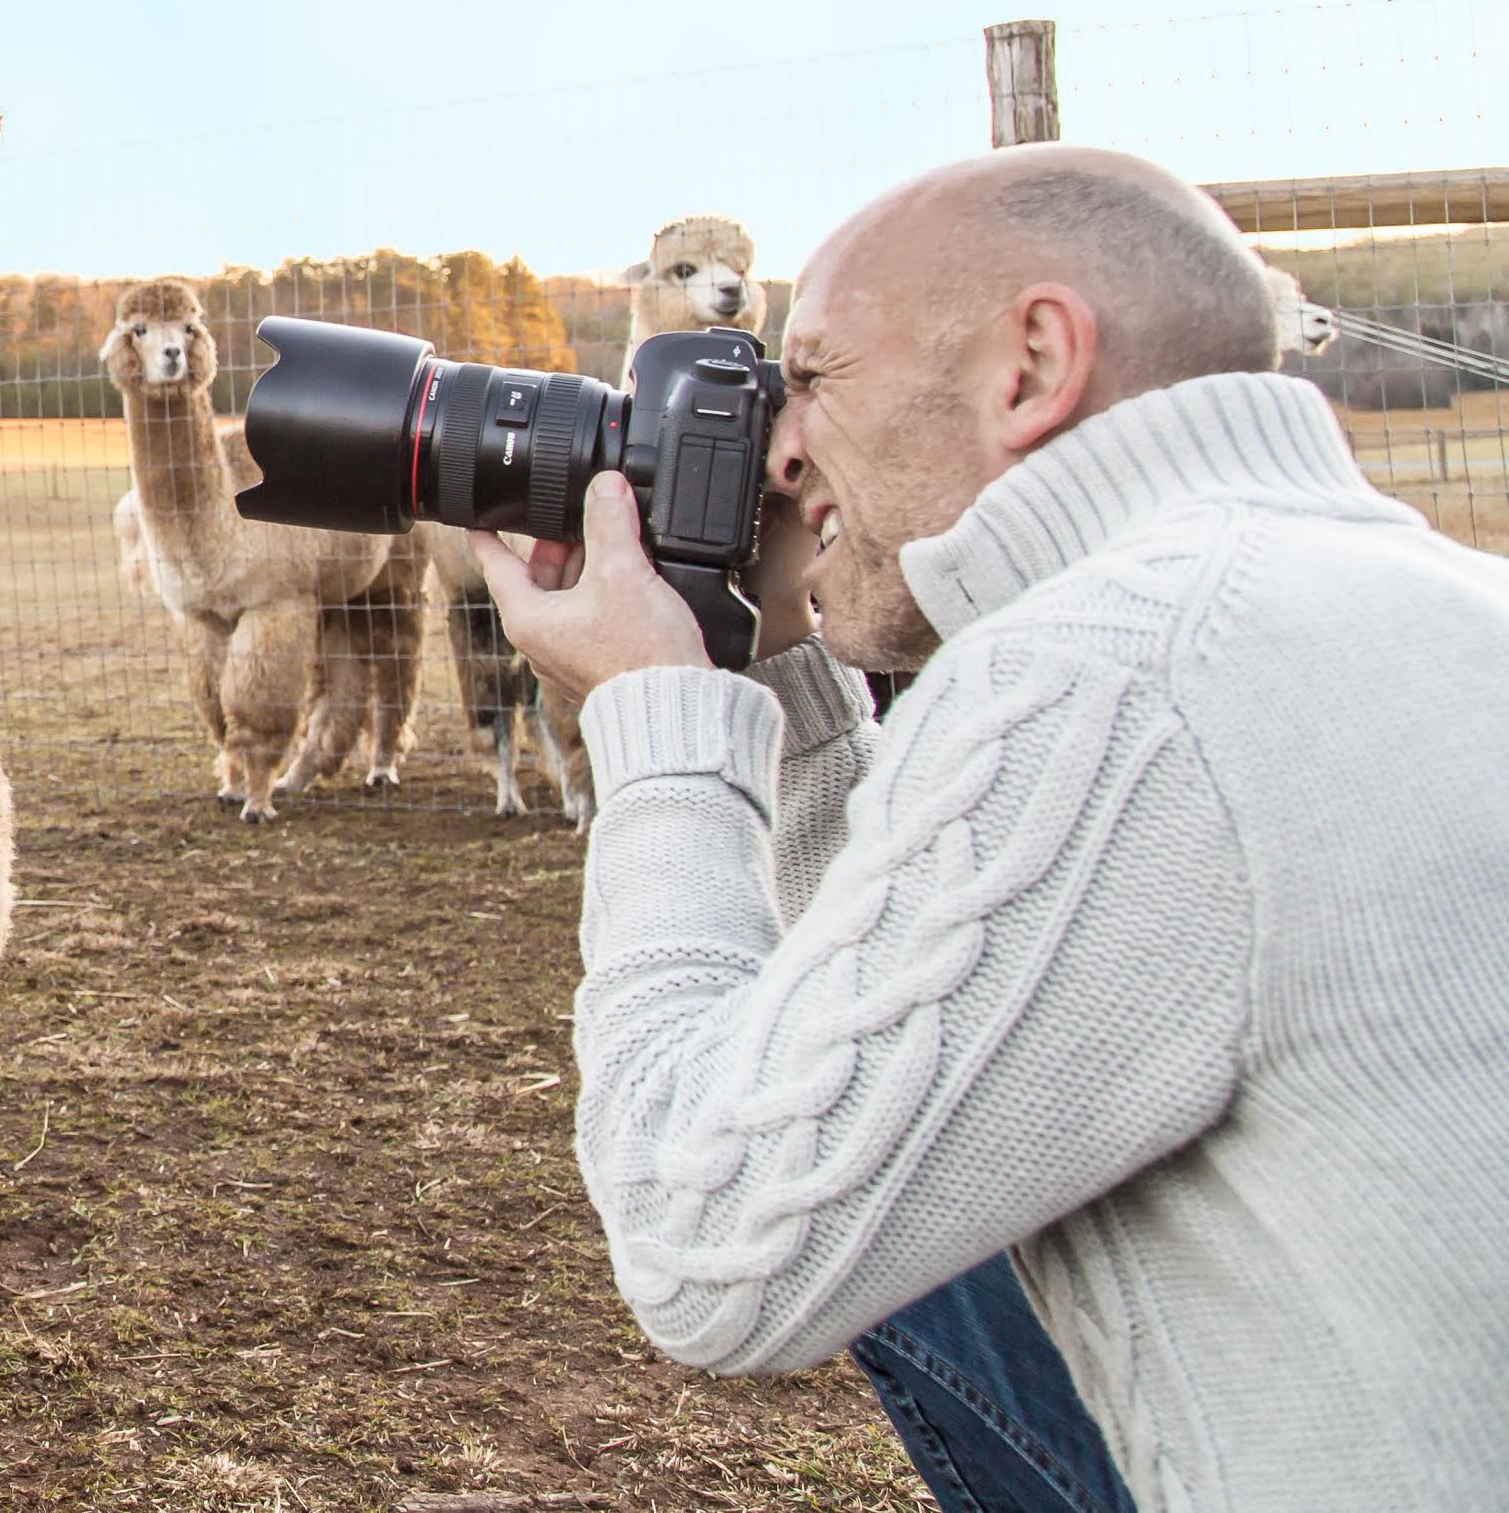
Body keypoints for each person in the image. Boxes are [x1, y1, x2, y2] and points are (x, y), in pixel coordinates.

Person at [471, 144, 1509, 1513]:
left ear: (1031, 363)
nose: (779, 445)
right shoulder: (1420, 589)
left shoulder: (1116, 676)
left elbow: (708, 1246)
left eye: (819, 375)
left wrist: (659, 719)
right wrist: (780, 673)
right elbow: (912, 1002)